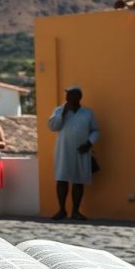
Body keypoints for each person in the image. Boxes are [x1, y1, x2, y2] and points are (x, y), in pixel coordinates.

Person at [48, 85, 99, 221]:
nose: (68, 97)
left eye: (71, 95)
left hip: (81, 150)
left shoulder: (88, 113)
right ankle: (61, 210)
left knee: (78, 180)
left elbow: (95, 130)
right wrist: (63, 113)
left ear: (78, 97)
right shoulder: (59, 110)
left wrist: (89, 143)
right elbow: (53, 127)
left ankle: (76, 211)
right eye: (67, 95)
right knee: (62, 178)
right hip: (64, 150)